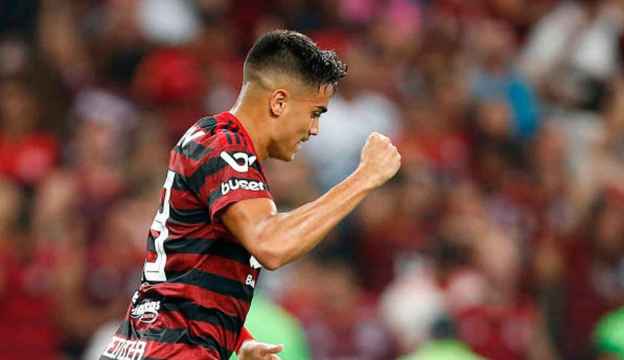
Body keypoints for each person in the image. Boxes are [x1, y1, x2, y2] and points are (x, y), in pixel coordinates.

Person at [99, 29, 401, 360]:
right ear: (279, 102)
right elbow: (271, 245)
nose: (314, 130)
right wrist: (363, 179)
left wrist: (236, 338)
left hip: (147, 346)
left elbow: (184, 265)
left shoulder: (210, 140)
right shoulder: (226, 148)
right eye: (315, 113)